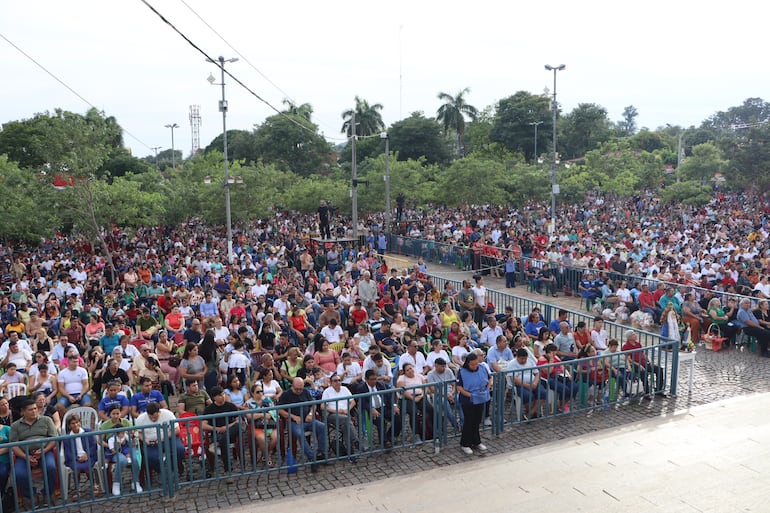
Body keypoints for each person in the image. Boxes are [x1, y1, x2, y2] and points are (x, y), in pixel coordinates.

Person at [10, 398, 58, 505]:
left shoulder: (46, 420)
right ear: (23, 412)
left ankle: (48, 493)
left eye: (35, 409)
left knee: (50, 467)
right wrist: (25, 457)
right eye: (30, 410)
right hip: (24, 454)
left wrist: (44, 450)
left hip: (44, 451)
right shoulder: (15, 426)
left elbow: (54, 438)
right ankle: (30, 495)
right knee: (19, 473)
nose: (34, 411)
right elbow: (14, 445)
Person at [277, 378, 328, 473]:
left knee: (322, 427)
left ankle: (322, 453)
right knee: (300, 434)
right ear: (292, 386)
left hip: (307, 419)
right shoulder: (286, 395)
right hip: (294, 422)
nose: (299, 391)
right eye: (297, 389)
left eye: (301, 389)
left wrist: (311, 414)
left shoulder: (305, 392)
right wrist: (293, 417)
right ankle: (312, 458)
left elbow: (313, 405)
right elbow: (280, 410)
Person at [135, 403, 185, 481]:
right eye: (151, 418)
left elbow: (176, 430)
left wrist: (164, 437)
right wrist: (144, 439)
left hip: (168, 438)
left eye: (155, 417)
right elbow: (138, 433)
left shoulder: (168, 414)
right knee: (151, 457)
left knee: (179, 449)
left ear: (159, 412)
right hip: (151, 443)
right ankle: (161, 471)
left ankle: (171, 468)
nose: (153, 420)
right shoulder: (140, 419)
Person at [354, 370, 402, 449]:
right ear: (366, 379)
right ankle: (384, 443)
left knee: (397, 416)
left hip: (384, 407)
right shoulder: (361, 388)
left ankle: (391, 435)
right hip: (372, 410)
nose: (374, 381)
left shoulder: (381, 385)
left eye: (375, 379)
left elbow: (389, 396)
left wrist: (394, 405)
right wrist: (371, 408)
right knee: (380, 420)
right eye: (372, 379)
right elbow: (362, 402)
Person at [202, 386, 244, 476]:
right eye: (220, 395)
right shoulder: (209, 409)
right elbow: (203, 424)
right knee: (223, 440)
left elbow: (239, 420)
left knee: (237, 426)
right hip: (218, 433)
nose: (223, 396)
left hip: (231, 431)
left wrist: (227, 427)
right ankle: (228, 470)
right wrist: (216, 429)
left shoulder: (230, 405)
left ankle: (227, 470)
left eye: (223, 394)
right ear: (214, 398)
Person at [100, 404, 141, 496]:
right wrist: (111, 446)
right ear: (109, 414)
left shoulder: (126, 422)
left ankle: (136, 481)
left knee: (135, 459)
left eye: (117, 413)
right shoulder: (105, 425)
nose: (115, 416)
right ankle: (116, 483)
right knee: (122, 460)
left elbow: (132, 433)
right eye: (113, 413)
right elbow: (100, 440)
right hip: (114, 449)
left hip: (127, 446)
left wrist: (128, 436)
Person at [456, 352, 491, 455]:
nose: (475, 366)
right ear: (468, 363)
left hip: (480, 398)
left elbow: (489, 378)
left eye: (476, 364)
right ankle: (465, 444)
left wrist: (488, 387)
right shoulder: (462, 372)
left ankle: (476, 441)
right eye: (472, 365)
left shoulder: (482, 368)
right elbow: (459, 387)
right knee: (469, 421)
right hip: (468, 400)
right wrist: (470, 395)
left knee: (477, 420)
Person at [62, 412, 101, 498]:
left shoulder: (88, 432)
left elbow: (93, 446)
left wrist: (87, 455)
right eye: (73, 423)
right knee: (77, 469)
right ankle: (76, 489)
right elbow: (68, 452)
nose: (76, 425)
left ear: (80, 422)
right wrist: (76, 458)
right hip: (75, 459)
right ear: (69, 426)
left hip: (88, 457)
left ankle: (94, 484)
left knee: (87, 467)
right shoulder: (67, 437)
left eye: (77, 422)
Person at [322, 374, 359, 457]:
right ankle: (355, 441)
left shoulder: (345, 389)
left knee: (346, 425)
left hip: (345, 414)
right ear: (331, 383)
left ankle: (350, 452)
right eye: (335, 381)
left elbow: (353, 402)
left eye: (339, 380)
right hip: (333, 415)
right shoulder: (327, 391)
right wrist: (336, 411)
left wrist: (347, 409)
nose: (338, 382)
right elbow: (322, 406)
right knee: (346, 420)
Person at [508, 347, 548, 420]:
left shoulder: (530, 362)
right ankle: (531, 412)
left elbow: (537, 373)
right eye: (521, 359)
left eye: (525, 359)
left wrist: (535, 383)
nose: (523, 360)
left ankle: (531, 412)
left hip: (533, 382)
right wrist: (526, 385)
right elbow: (513, 378)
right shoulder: (512, 364)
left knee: (543, 393)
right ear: (517, 357)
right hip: (520, 385)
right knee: (528, 396)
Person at [537, 343, 578, 413]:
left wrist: (568, 374)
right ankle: (562, 405)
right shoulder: (542, 359)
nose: (556, 353)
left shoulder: (556, 357)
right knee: (565, 389)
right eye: (555, 351)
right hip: (550, 378)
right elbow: (549, 371)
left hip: (561, 376)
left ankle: (564, 403)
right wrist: (551, 360)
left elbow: (562, 367)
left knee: (574, 387)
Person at [622, 330, 665, 395]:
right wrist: (638, 364)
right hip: (634, 365)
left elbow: (643, 354)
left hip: (643, 363)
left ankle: (659, 389)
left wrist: (650, 361)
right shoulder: (626, 346)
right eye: (633, 335)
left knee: (659, 369)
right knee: (643, 373)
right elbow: (629, 359)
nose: (635, 336)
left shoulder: (638, 344)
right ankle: (646, 392)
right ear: (629, 337)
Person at [245, 383, 278, 468]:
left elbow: (274, 411)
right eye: (258, 392)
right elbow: (248, 416)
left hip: (269, 424)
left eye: (261, 391)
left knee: (275, 437)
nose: (260, 393)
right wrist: (262, 415)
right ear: (252, 393)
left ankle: (264, 454)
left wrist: (268, 416)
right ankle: (268, 458)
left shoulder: (267, 400)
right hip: (257, 425)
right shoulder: (248, 403)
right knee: (261, 438)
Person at [426, 357, 460, 430]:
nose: (444, 368)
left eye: (444, 366)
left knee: (460, 400)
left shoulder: (448, 371)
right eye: (442, 366)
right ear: (436, 365)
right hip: (439, 395)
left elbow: (454, 384)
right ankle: (455, 424)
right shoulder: (430, 374)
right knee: (445, 404)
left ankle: (463, 423)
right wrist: (446, 396)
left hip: (450, 393)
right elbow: (433, 390)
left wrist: (451, 393)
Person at [56, 353, 93, 418]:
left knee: (87, 404)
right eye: (74, 362)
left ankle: (83, 421)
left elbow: (86, 385)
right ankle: (67, 421)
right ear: (69, 361)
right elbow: (61, 388)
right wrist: (68, 396)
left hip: (82, 394)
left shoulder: (83, 371)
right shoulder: (62, 373)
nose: (76, 364)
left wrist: (81, 394)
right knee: (59, 406)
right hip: (67, 395)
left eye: (77, 362)